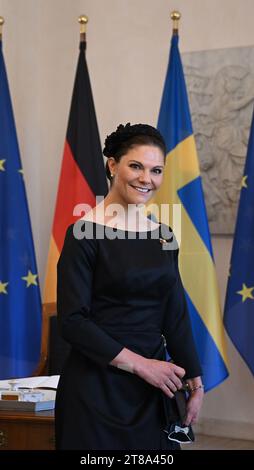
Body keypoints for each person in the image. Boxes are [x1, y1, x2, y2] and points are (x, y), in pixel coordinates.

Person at [55, 123, 203, 450]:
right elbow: (72, 322)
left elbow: (174, 313)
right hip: (96, 391)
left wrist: (194, 378)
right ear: (113, 165)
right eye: (135, 165)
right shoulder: (82, 234)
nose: (145, 178)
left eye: (156, 170)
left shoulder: (164, 235)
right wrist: (141, 365)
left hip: (154, 391)